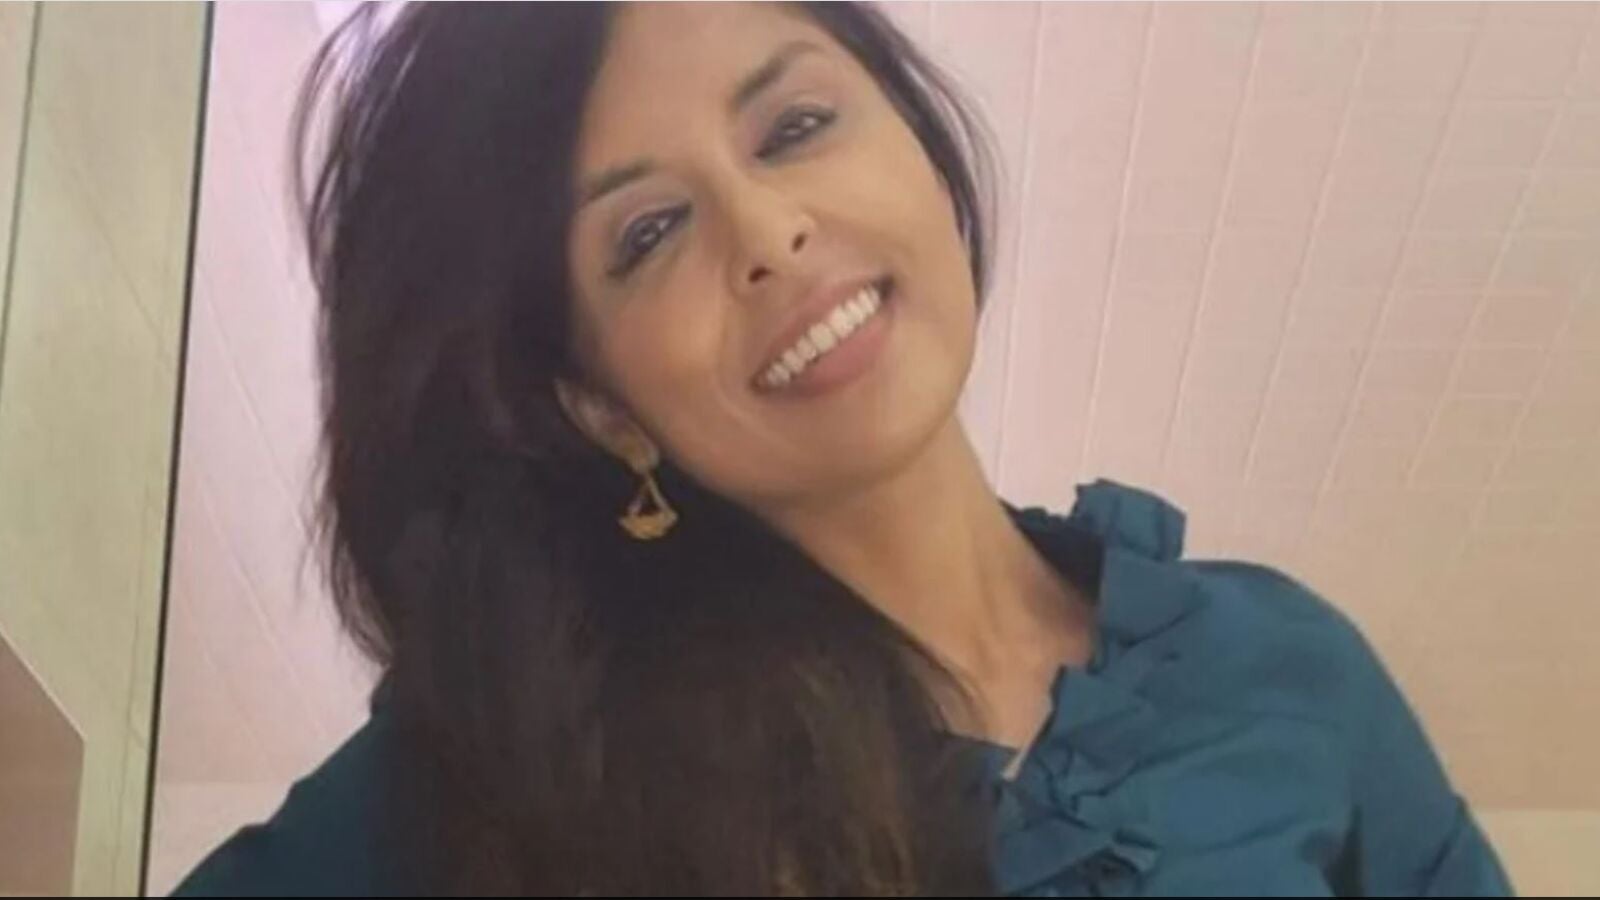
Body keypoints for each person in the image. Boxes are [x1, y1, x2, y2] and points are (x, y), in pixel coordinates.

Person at [174, 3, 1513, 896]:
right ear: (598, 406)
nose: (768, 233)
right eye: (648, 234)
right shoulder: (525, 754)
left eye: (796, 127)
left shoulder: (1285, 669)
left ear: (915, 142)